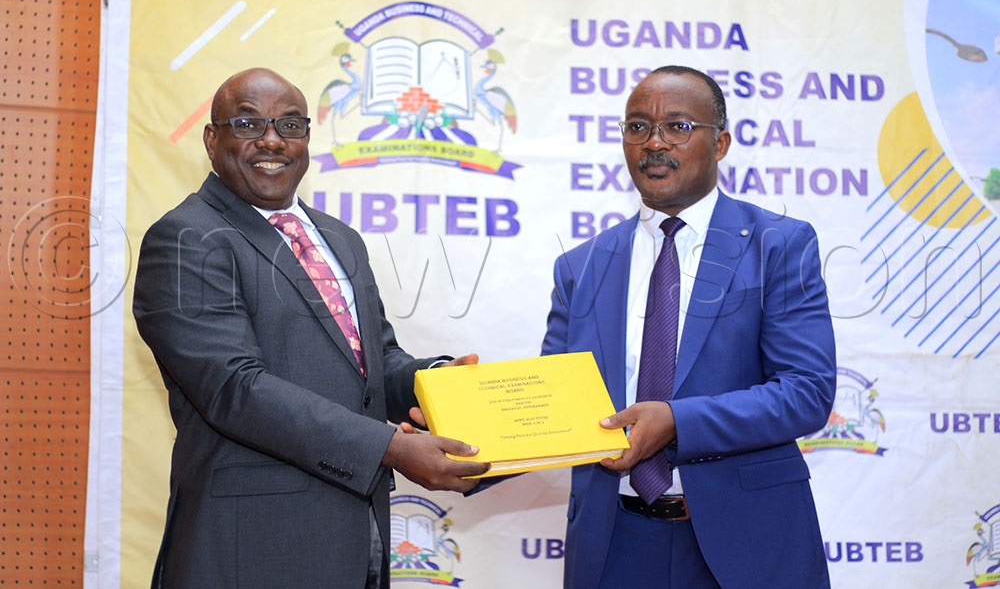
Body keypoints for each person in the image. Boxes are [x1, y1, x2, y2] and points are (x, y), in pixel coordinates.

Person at [132, 67, 489, 589]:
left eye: (290, 124)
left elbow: (373, 365)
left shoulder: (340, 240)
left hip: (357, 537)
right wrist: (388, 448)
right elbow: (236, 390)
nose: (272, 140)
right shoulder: (186, 238)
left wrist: (437, 383)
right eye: (248, 123)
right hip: (251, 550)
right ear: (212, 140)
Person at [542, 66, 836, 588]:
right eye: (638, 127)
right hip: (613, 546)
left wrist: (677, 420)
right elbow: (553, 408)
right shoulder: (580, 267)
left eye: (677, 127)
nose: (654, 143)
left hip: (748, 545)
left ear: (720, 143)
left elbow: (806, 392)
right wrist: (462, 438)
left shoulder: (778, 246)